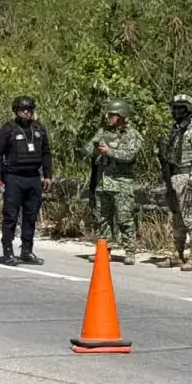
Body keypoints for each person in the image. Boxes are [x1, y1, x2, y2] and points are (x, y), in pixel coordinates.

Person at [0, 95, 53, 266]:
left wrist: (47, 175)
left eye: (29, 109)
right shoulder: (8, 129)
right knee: (11, 215)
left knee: (31, 216)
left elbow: (46, 153)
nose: (26, 112)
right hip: (13, 178)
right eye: (22, 109)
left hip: (33, 178)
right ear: (16, 111)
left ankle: (26, 250)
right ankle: (8, 251)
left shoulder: (39, 129)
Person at [86, 99, 142, 265]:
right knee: (102, 218)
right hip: (103, 182)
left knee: (124, 218)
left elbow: (129, 155)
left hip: (122, 184)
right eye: (109, 114)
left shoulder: (132, 134)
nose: (109, 117)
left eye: (113, 114)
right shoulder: (103, 131)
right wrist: (95, 150)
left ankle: (130, 251)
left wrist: (109, 151)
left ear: (122, 115)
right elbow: (89, 147)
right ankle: (104, 250)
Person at [156, 92, 192, 271]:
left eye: (180, 108)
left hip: (187, 177)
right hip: (174, 178)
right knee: (176, 218)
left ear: (189, 109)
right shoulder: (176, 130)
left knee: (190, 216)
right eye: (174, 108)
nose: (176, 112)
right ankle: (177, 254)